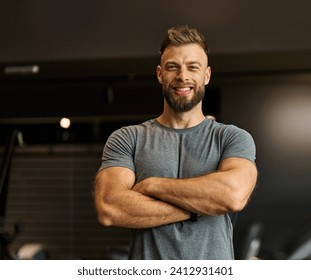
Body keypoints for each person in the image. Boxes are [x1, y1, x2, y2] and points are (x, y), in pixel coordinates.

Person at [94, 25, 258, 260]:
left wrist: (151, 186)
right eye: (173, 67)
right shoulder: (127, 138)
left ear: (207, 75)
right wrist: (201, 208)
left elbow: (233, 194)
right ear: (160, 74)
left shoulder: (231, 138)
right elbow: (110, 208)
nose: (183, 76)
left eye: (193, 67)